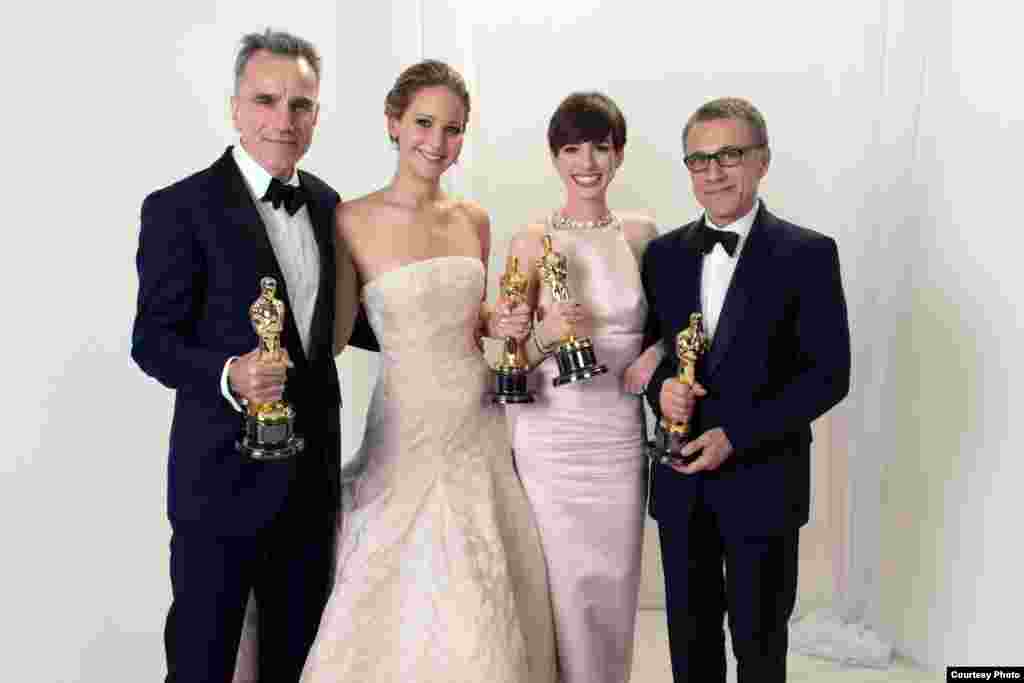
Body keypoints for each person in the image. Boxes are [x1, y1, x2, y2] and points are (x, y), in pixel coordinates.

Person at [297, 59, 557, 682]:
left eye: (453, 128)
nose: (436, 143)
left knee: (484, 582)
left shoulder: (473, 219)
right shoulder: (348, 219)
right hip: (405, 426)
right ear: (392, 122)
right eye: (422, 123)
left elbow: (471, 319)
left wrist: (505, 321)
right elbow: (330, 338)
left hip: (476, 422)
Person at [132, 29, 376, 682]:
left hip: (311, 483)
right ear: (235, 108)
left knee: (296, 666)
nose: (283, 121)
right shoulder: (180, 208)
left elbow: (352, 323)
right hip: (218, 486)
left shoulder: (332, 206)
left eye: (300, 106)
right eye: (266, 101)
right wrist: (228, 373)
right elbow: (152, 340)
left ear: (317, 115)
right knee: (201, 667)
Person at [641, 97, 851, 682]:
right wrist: (661, 392)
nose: (714, 172)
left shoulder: (808, 254)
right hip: (682, 483)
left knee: (760, 642)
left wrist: (737, 436)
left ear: (762, 161)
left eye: (730, 154)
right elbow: (651, 355)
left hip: (764, 480)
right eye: (699, 159)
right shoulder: (661, 255)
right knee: (690, 637)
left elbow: (830, 374)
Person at [498, 91, 664, 683]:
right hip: (550, 436)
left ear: (619, 154)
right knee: (557, 588)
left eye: (600, 146)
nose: (587, 161)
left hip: (619, 437)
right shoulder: (531, 240)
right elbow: (505, 361)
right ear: (554, 157)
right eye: (572, 148)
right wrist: (542, 333)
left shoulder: (644, 234)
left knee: (614, 585)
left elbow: (681, 326)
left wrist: (655, 353)